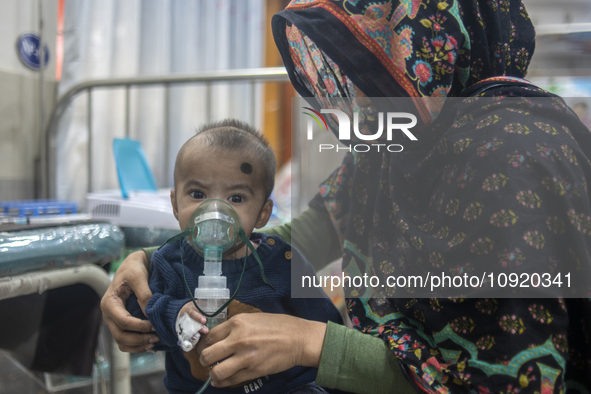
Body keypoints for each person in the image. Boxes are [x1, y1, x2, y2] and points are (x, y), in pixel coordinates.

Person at [101, 1, 591, 392]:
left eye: (376, 48)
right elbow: (302, 241)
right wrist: (155, 262)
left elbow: (497, 378)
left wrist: (313, 343)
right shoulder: (400, 146)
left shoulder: (513, 158)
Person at [124, 119, 343, 394]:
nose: (214, 211)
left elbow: (328, 329)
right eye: (198, 194)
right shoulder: (169, 262)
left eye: (236, 198)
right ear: (175, 204)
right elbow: (136, 319)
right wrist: (175, 315)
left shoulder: (282, 262)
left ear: (263, 213)